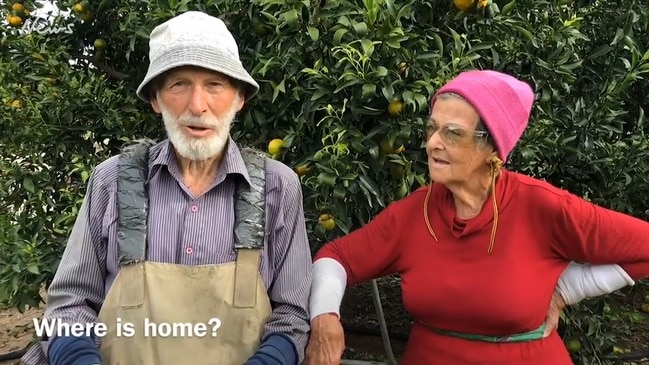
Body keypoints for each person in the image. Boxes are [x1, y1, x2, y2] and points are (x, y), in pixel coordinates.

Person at [22, 11, 312, 365]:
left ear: (239, 99)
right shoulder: (111, 180)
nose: (197, 105)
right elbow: (69, 305)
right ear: (156, 99)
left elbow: (293, 316)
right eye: (179, 84)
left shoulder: (278, 187)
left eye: (215, 84)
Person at [304, 70, 649, 365]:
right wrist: (324, 316)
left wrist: (567, 288)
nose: (433, 143)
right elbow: (337, 258)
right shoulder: (417, 212)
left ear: (492, 149)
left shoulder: (542, 207)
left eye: (453, 133)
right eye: (432, 128)